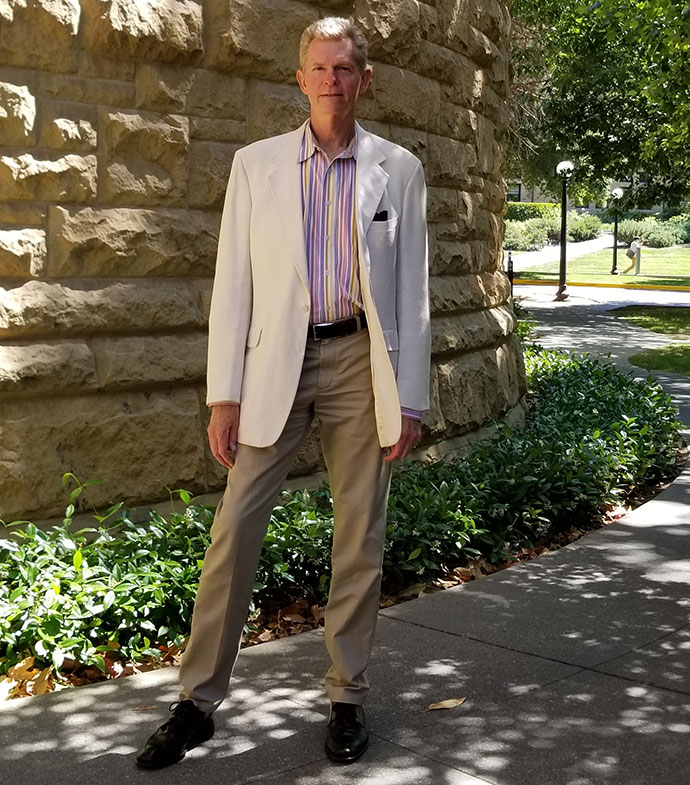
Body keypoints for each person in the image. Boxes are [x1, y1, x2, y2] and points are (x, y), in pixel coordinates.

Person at [136, 16, 430, 770]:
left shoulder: (399, 168)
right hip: (277, 366)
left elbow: (414, 293)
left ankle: (346, 696)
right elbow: (233, 282)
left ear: (367, 80)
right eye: (319, 68)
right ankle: (196, 701)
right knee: (234, 529)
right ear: (300, 80)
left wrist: (414, 397)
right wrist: (223, 394)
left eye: (345, 68)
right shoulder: (255, 166)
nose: (332, 79)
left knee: (358, 536)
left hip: (364, 367)